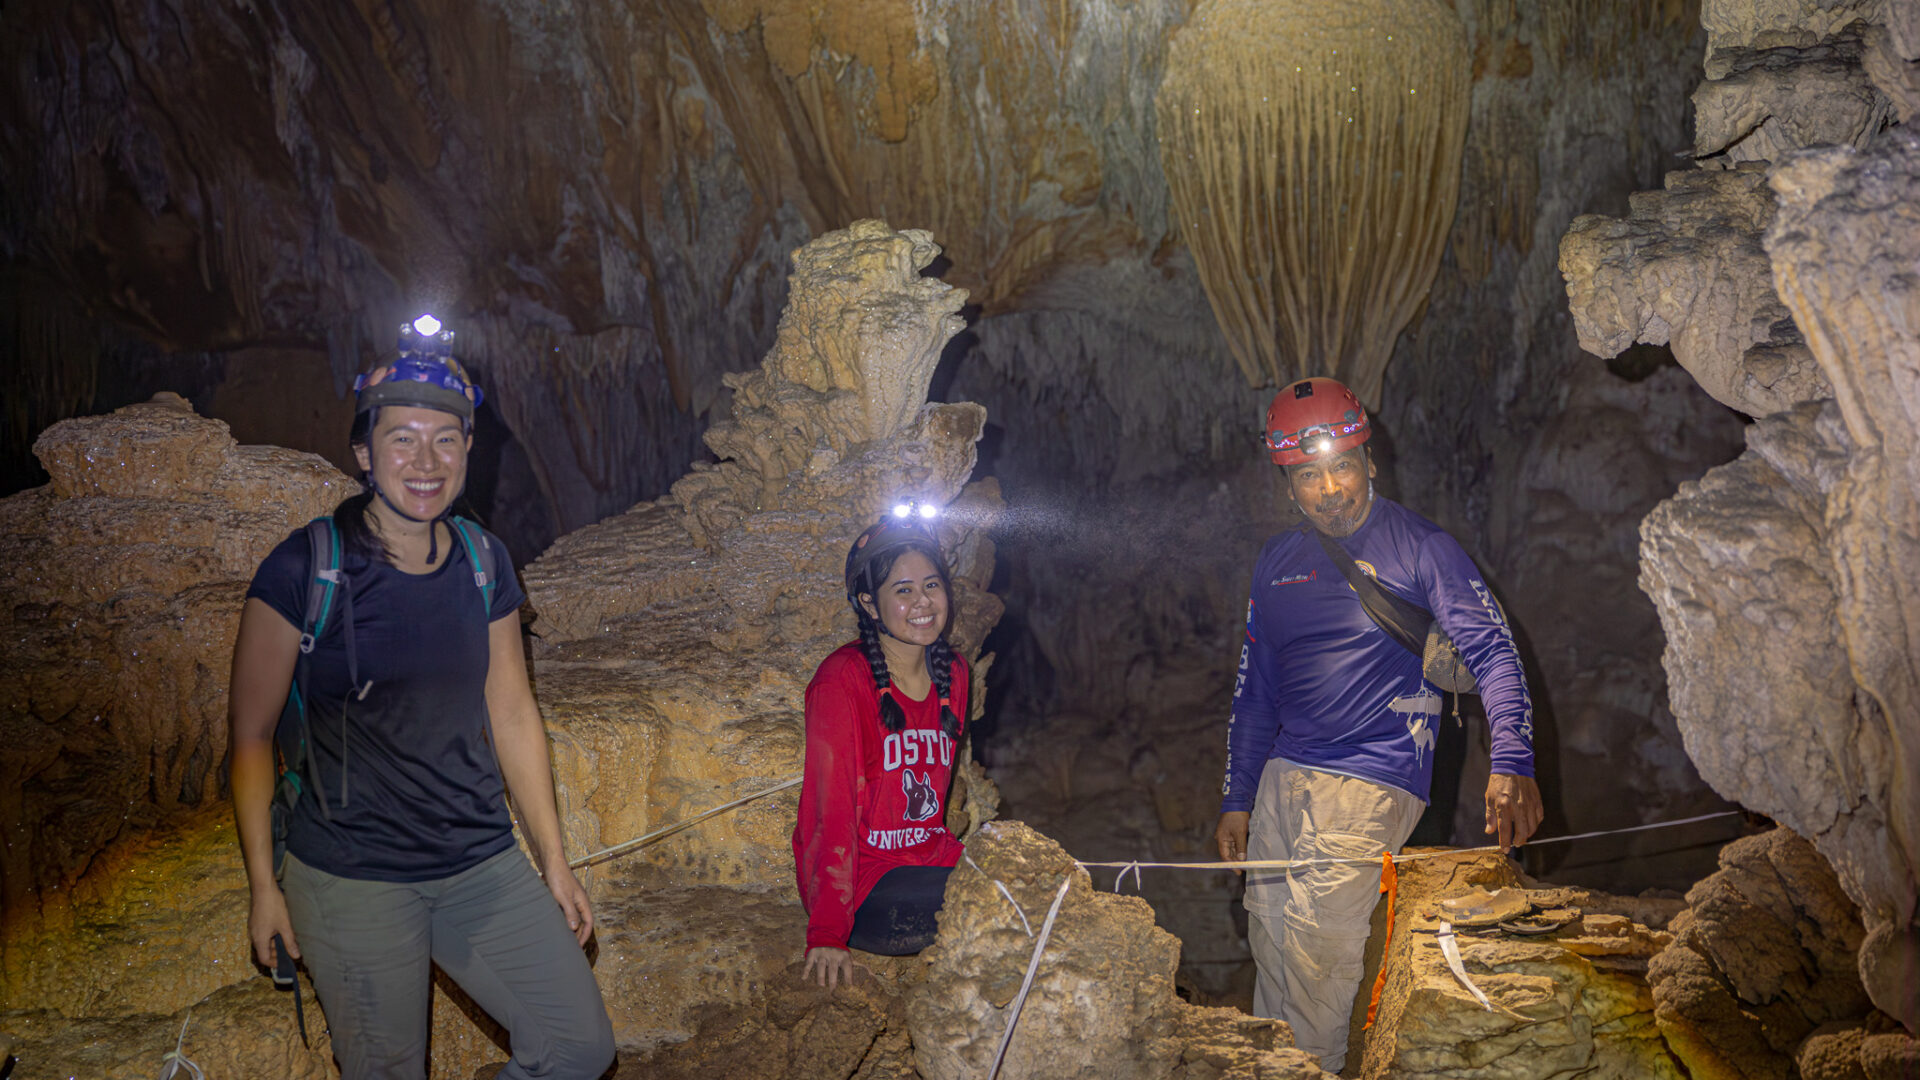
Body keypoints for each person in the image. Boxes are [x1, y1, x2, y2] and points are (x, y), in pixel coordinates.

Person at [227, 320, 615, 1079]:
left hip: (477, 860)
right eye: (402, 440)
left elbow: (512, 710)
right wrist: (264, 886)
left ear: (468, 449)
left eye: (445, 440)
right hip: (353, 876)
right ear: (365, 454)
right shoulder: (305, 567)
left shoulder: (483, 559)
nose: (426, 461)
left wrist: (554, 859)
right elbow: (250, 735)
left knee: (579, 1046)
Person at [1214, 376, 1543, 1072]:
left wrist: (1511, 762)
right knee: (1271, 951)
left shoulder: (1421, 548)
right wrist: (1238, 797)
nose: (1330, 489)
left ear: (1369, 461)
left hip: (1371, 777)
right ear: (1289, 485)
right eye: (1309, 476)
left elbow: (1494, 652)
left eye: (1342, 468)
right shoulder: (1276, 562)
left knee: (1319, 962)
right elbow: (1256, 692)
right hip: (1281, 781)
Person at [793, 509, 970, 989]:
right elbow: (829, 813)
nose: (923, 602)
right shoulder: (841, 682)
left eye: (931, 585)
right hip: (868, 888)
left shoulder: (954, 673)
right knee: (995, 903)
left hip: (930, 862)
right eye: (903, 590)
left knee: (1043, 882)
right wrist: (828, 930)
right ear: (871, 605)